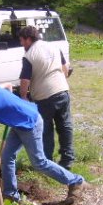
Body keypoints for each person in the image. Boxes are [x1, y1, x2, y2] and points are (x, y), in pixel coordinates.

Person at [0, 84, 86, 204]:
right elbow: (8, 86)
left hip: (29, 122)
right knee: (7, 158)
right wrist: (10, 109)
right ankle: (11, 194)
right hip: (19, 123)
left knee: (39, 162)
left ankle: (75, 181)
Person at [19, 25, 75, 170]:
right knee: (65, 126)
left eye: (22, 40)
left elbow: (25, 79)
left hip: (44, 97)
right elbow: (65, 69)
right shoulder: (54, 47)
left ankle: (47, 161)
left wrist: (23, 96)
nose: (21, 44)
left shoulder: (29, 55)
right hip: (62, 90)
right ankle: (67, 159)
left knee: (46, 129)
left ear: (28, 39)